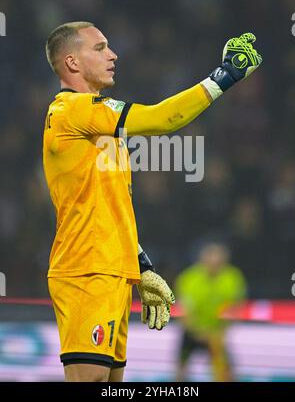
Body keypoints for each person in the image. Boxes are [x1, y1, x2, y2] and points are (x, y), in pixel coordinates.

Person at [43, 21, 262, 382]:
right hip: (87, 270)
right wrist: (225, 76)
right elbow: (163, 118)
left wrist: (140, 266)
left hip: (112, 272)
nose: (112, 55)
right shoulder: (72, 110)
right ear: (72, 63)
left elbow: (111, 211)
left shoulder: (101, 132)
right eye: (99, 49)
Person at [175, 243, 247, 382]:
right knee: (180, 372)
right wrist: (199, 332)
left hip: (217, 334)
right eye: (210, 260)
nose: (214, 264)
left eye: (218, 261)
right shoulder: (189, 279)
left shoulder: (233, 278)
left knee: (227, 374)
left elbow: (236, 309)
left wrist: (219, 332)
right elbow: (183, 312)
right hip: (192, 333)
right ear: (202, 260)